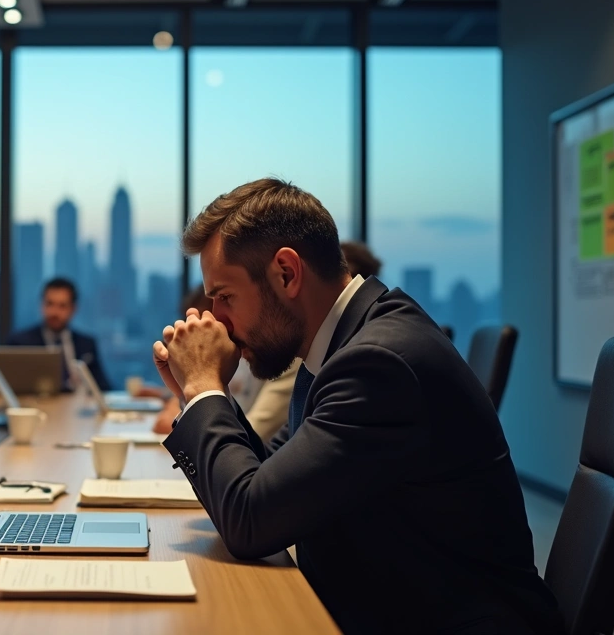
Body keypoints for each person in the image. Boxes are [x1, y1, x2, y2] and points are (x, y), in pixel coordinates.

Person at [154, 178, 562, 634]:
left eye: (225, 296)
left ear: (286, 273)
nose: (217, 319)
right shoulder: (342, 346)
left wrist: (204, 387)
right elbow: (271, 478)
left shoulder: (377, 363)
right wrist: (200, 394)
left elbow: (251, 522)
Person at [152, 286, 300, 438]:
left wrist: (196, 392)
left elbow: (248, 440)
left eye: (226, 297)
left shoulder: (283, 359)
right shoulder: (236, 355)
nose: (195, 330)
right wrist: (185, 394)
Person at [7, 277, 110, 392]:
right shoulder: (21, 342)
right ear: (41, 305)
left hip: (77, 401)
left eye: (62, 306)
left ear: (73, 309)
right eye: (49, 304)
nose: (54, 312)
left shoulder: (87, 344)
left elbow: (103, 387)